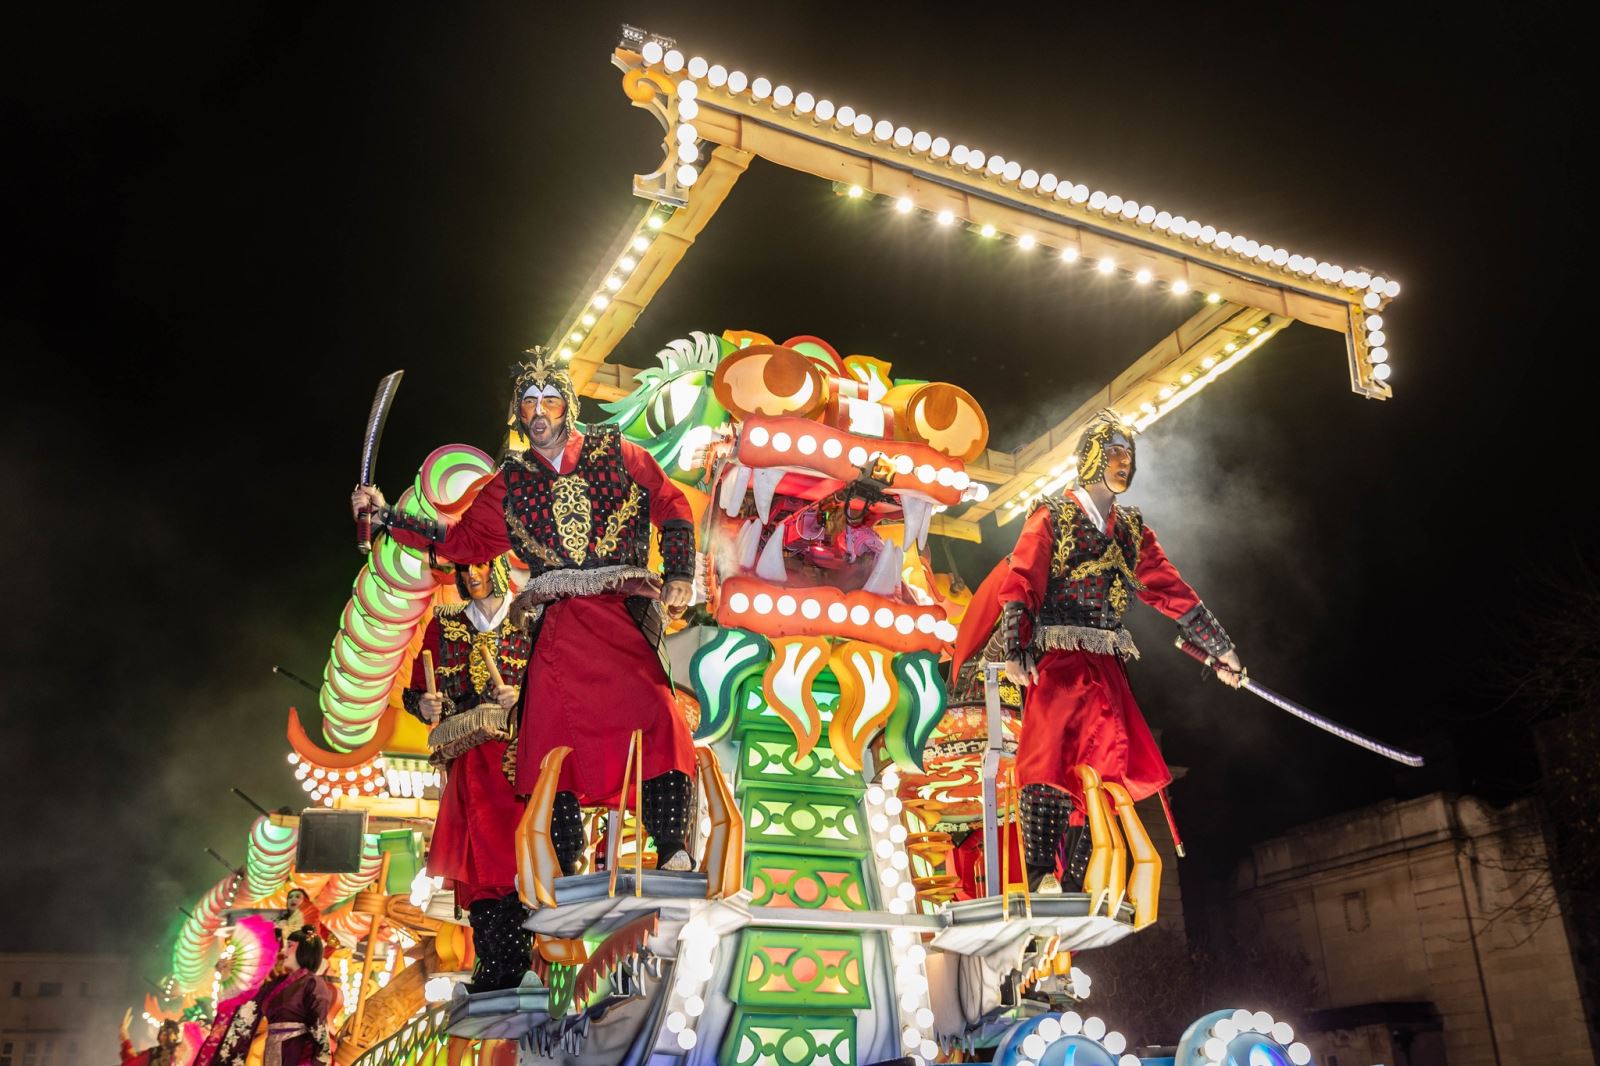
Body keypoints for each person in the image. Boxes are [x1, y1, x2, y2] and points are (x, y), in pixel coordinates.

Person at [351, 349, 699, 880]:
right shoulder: (510, 482)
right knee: (547, 733)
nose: (539, 412)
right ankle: (565, 860)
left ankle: (671, 843)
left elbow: (670, 502)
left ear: (569, 406)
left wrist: (678, 572)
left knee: (656, 714)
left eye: (550, 400)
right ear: (518, 412)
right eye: (528, 402)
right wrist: (388, 517)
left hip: (625, 608)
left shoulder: (617, 449)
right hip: (557, 622)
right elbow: (462, 540)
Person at [952, 411, 1242, 893]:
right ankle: (1043, 870)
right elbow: (1023, 580)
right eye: (1114, 453)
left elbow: (1169, 588)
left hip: (1106, 660)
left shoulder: (1130, 530)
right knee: (1047, 754)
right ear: (1091, 457)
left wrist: (1220, 650)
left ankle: (1084, 876)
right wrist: (1018, 646)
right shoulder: (1053, 515)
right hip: (1058, 656)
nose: (1124, 463)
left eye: (1129, 455)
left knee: (1108, 761)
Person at [401, 554, 533, 991]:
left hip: (517, 759)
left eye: (478, 565)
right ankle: (490, 965)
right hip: (468, 761)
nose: (470, 576)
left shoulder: (529, 615)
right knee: (476, 871)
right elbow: (418, 690)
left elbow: (557, 678)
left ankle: (514, 965)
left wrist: (525, 696)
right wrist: (424, 705)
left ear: (497, 566)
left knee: (517, 861)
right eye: (462, 569)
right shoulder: (445, 624)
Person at [214, 930, 333, 1066]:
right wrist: (232, 970)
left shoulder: (313, 983)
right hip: (271, 1047)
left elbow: (319, 1029)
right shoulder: (278, 983)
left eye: (289, 945)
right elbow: (252, 998)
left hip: (296, 1050)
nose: (284, 950)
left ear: (304, 950)